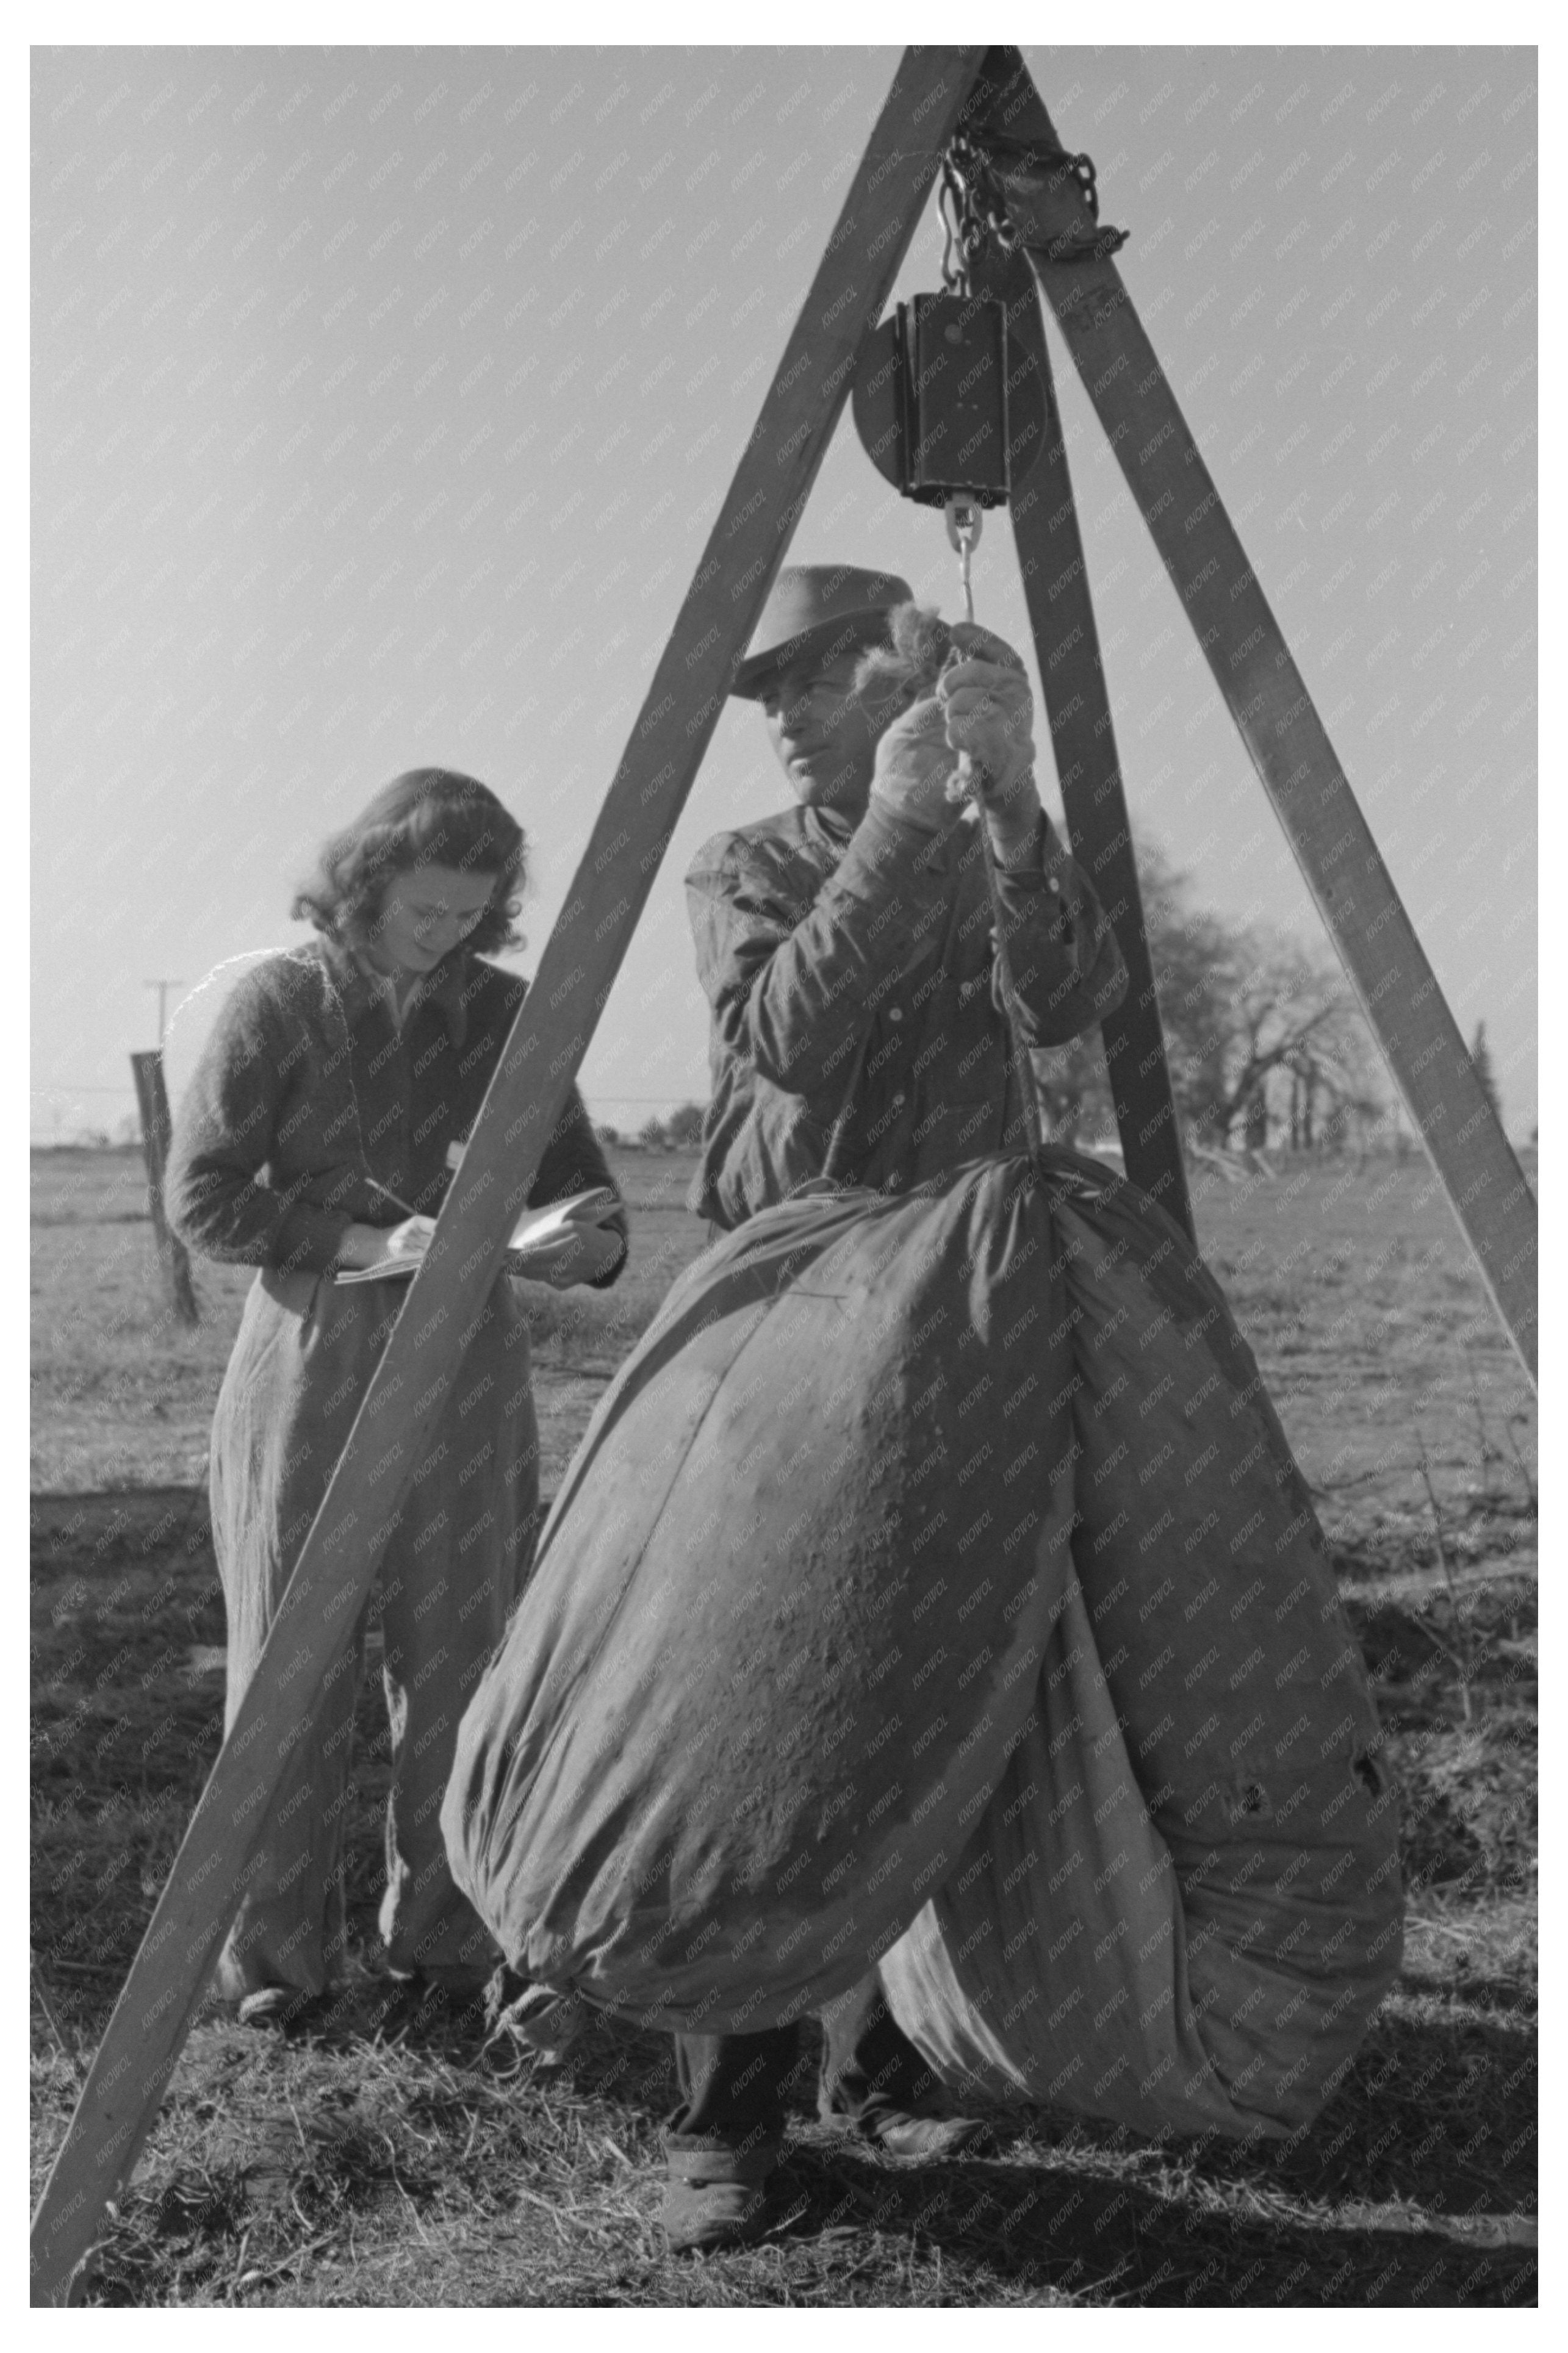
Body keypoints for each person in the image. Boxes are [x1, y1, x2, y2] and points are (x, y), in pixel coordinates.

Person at [663, 566, 1128, 2247]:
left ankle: (891, 2064)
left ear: (897, 678)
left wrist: (1007, 800)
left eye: (805, 682)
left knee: (949, 1651)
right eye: (767, 694)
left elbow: (1071, 998)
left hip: (973, 1301)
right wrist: (899, 824)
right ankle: (730, 2114)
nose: (779, 717)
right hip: (797, 1300)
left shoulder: (986, 825)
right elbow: (786, 1034)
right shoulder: (747, 865)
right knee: (769, 1686)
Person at [166, 769, 627, 2036]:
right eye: (427, 910)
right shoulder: (278, 1000)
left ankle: (444, 1954)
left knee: (462, 1664)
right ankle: (275, 1970)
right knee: (291, 1670)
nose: (448, 935)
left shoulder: (507, 1014)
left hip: (468, 1365)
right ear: (366, 883)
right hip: (315, 1352)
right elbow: (203, 1198)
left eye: (471, 915)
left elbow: (585, 1190)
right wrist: (362, 1242)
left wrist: (580, 1243)